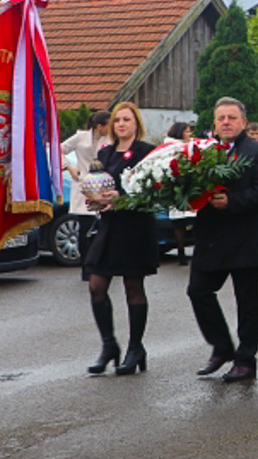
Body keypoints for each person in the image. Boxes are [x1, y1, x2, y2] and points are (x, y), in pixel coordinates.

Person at [187, 97, 258, 383]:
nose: (226, 122)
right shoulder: (202, 151)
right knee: (198, 291)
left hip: (245, 236)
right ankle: (222, 347)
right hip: (211, 236)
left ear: (242, 122)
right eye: (221, 118)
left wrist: (233, 201)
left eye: (231, 118)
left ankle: (246, 360)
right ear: (214, 122)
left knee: (246, 301)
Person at [82, 102, 158, 376]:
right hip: (110, 226)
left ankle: (135, 348)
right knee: (96, 285)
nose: (122, 124)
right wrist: (95, 199)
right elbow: (97, 184)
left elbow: (154, 193)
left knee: (133, 288)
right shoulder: (106, 152)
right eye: (117, 120)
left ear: (136, 123)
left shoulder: (148, 153)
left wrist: (123, 199)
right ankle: (109, 345)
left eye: (127, 119)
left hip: (135, 227)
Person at [61, 110, 111, 265]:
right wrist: (69, 167)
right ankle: (85, 263)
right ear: (99, 126)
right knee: (85, 229)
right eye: (109, 124)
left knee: (105, 228)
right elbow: (60, 149)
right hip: (83, 186)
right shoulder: (80, 136)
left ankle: (103, 261)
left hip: (104, 188)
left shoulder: (112, 139)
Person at [164, 121, 194, 266]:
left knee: (193, 219)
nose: (190, 134)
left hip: (190, 186)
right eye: (187, 131)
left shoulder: (191, 144)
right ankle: (180, 251)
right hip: (176, 185)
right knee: (179, 222)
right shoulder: (170, 146)